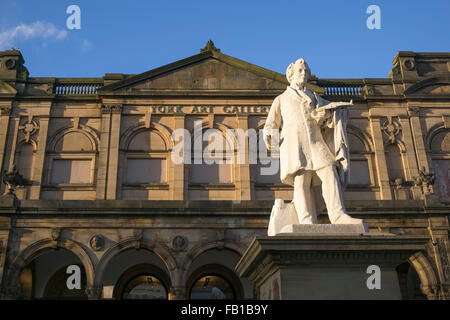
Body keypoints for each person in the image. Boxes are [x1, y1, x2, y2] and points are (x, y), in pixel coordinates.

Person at [263, 58, 363, 225]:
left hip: (316, 142)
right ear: (291, 74)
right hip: (295, 145)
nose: (304, 74)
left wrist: (329, 116)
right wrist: (269, 136)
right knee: (302, 180)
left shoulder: (315, 97)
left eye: (306, 71)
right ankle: (306, 220)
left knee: (330, 171)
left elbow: (329, 118)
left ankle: (338, 215)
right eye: (300, 71)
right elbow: (270, 124)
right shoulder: (281, 99)